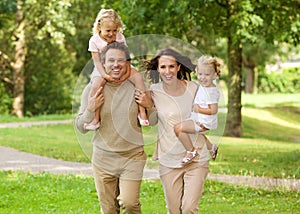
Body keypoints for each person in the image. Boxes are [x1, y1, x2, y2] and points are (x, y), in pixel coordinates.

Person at [76, 42, 151, 213]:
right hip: (103, 159)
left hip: (132, 156)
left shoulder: (136, 86)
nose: (116, 65)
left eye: (120, 60)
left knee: (130, 203)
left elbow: (152, 120)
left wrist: (149, 105)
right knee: (109, 210)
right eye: (111, 61)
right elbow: (80, 126)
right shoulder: (92, 89)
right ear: (102, 64)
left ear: (127, 63)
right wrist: (90, 109)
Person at [138, 48, 210, 213]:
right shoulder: (154, 91)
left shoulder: (194, 88)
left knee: (189, 209)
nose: (167, 71)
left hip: (196, 157)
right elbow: (152, 121)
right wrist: (149, 106)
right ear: (158, 69)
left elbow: (206, 120)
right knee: (174, 210)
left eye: (171, 66)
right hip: (168, 159)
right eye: (163, 67)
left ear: (178, 67)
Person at [84, 8, 149, 130]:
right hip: (102, 67)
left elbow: (127, 57)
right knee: (96, 86)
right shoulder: (94, 40)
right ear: (99, 28)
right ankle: (95, 119)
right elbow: (97, 61)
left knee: (138, 78)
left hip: (121, 64)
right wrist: (105, 75)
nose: (112, 34)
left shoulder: (120, 37)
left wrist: (127, 73)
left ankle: (142, 113)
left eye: (114, 30)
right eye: (108, 31)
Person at [174, 55, 221, 166]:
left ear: (215, 75)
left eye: (207, 75)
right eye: (200, 74)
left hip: (203, 122)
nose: (203, 77)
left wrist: (198, 109)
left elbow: (213, 110)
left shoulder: (211, 92)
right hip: (200, 119)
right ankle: (212, 147)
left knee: (178, 128)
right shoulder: (206, 87)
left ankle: (191, 151)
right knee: (196, 133)